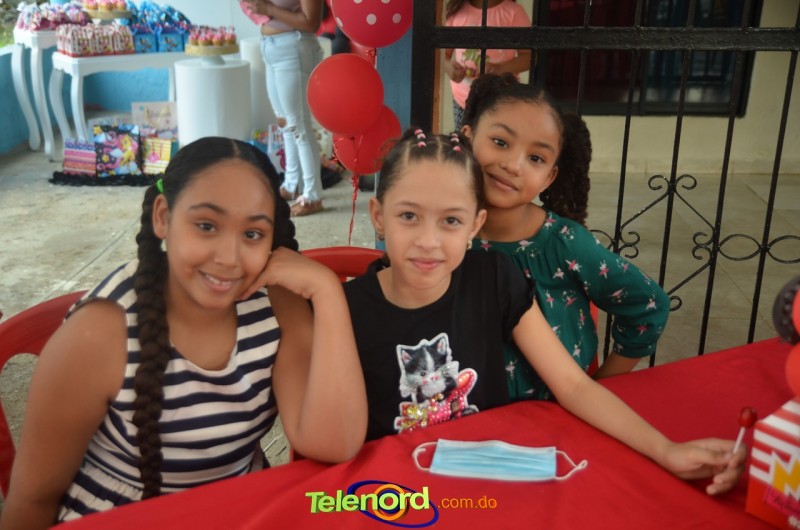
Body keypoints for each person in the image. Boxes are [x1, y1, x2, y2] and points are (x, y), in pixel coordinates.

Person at [342, 129, 744, 495]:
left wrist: (665, 450)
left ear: (474, 226)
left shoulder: (494, 279)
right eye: (408, 216)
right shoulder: (345, 309)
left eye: (451, 220)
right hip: (395, 495)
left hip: (491, 486)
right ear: (379, 216)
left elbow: (573, 386)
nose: (428, 241)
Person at [0, 137, 366, 529]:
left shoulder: (276, 303)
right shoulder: (101, 332)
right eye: (206, 226)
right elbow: (33, 499)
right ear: (163, 216)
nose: (228, 258)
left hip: (240, 513)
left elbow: (334, 442)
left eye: (252, 234)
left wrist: (326, 292)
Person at [462, 73, 671, 400]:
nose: (514, 165)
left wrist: (600, 387)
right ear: (468, 137)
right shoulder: (440, 234)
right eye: (500, 142)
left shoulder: (564, 242)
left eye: (536, 158)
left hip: (554, 414)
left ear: (549, 177)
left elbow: (649, 304)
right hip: (463, 416)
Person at [241, 0, 326, 216]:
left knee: (299, 126)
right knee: (285, 123)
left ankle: (313, 195)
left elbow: (311, 22)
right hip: (272, 47)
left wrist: (268, 9)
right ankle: (291, 184)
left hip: (293, 47)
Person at [443, 0, 532, 130]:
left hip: (502, 100)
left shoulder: (514, 13)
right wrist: (447, 66)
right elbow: (443, 55)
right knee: (464, 140)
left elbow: (529, 58)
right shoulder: (456, 12)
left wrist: (500, 69)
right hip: (462, 100)